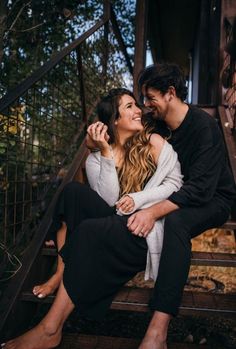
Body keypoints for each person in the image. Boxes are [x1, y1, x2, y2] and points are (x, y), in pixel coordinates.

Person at [3, 88, 182, 349]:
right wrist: (107, 153)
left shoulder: (153, 142)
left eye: (136, 105)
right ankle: (62, 276)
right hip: (115, 222)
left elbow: (177, 184)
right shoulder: (96, 158)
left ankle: (50, 327)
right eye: (130, 106)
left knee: (88, 230)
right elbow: (110, 203)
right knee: (73, 193)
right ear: (115, 120)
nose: (138, 111)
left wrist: (139, 200)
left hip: (141, 229)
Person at [125, 62, 235, 349]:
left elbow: (200, 190)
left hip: (215, 199)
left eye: (150, 98)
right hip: (179, 193)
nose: (146, 105)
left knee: (175, 222)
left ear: (170, 93)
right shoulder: (157, 125)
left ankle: (158, 329)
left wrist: (152, 211)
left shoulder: (204, 127)